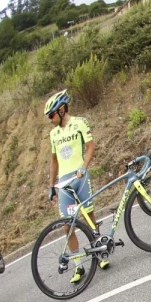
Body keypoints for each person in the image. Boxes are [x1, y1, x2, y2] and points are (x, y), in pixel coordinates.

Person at [45, 89, 100, 283]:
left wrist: (83, 168)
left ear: (61, 110)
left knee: (89, 214)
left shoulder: (80, 122)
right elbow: (54, 161)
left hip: (80, 175)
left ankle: (99, 252)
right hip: (64, 182)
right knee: (67, 225)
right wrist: (52, 186)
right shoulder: (53, 134)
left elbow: (91, 146)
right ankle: (79, 265)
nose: (50, 119)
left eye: (51, 115)